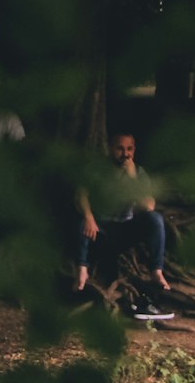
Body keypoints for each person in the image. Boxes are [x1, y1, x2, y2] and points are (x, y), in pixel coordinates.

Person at [74, 131, 174, 318]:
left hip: (125, 228)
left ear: (134, 150)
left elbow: (149, 206)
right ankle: (82, 271)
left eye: (129, 149)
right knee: (82, 224)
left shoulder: (138, 172)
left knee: (156, 220)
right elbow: (81, 195)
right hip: (101, 228)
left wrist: (132, 178)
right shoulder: (97, 168)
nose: (125, 153)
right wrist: (89, 217)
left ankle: (156, 272)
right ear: (111, 149)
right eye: (120, 148)